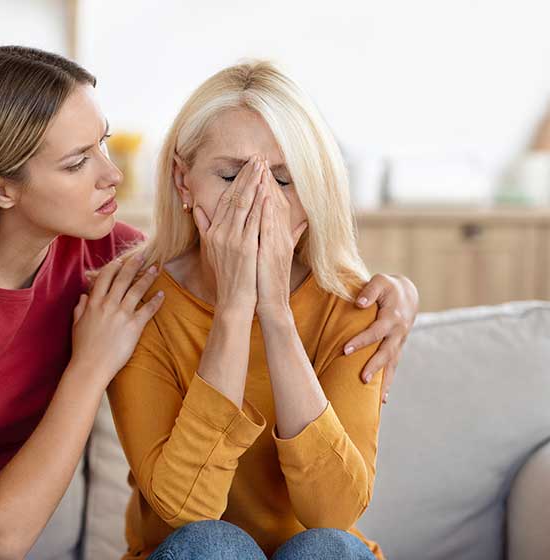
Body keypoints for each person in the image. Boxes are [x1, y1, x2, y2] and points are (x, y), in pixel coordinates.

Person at [0, 47, 416, 560]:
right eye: (76, 163)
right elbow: (1, 534)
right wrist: (91, 363)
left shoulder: (109, 259)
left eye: (103, 144)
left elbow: (199, 265)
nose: (111, 175)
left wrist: (396, 294)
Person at [108, 60, 412, 559]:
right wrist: (233, 310)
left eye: (285, 180)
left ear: (314, 190)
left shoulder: (358, 306)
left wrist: (275, 313)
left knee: (328, 548)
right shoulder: (139, 306)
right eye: (231, 176)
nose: (258, 201)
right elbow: (185, 510)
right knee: (210, 543)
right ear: (184, 183)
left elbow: (334, 513)